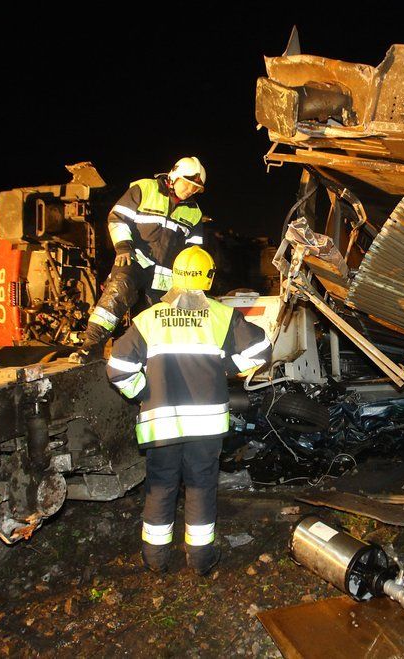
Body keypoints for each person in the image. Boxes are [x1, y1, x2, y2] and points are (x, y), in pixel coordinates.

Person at [106, 246, 271, 575]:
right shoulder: (221, 316)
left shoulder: (149, 319)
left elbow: (118, 367)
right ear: (208, 278)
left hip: (161, 426)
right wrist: (227, 368)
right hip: (205, 428)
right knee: (201, 488)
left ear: (175, 276)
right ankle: (200, 560)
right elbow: (262, 350)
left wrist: (143, 392)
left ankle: (155, 560)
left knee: (161, 486)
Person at [71, 156, 207, 363]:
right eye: (187, 184)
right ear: (174, 177)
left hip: (164, 276)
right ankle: (91, 347)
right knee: (118, 292)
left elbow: (194, 250)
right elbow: (118, 218)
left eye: (195, 188)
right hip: (134, 260)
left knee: (153, 319)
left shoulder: (194, 213)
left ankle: (145, 361)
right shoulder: (145, 189)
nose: (190, 190)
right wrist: (123, 247)